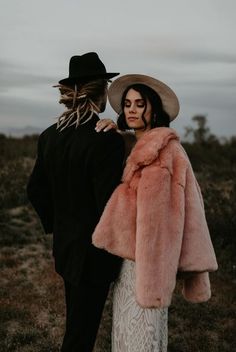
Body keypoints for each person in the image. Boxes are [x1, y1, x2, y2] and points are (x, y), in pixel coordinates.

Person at [92, 74, 218, 351]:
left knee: (142, 338)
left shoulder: (165, 152)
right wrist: (113, 133)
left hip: (148, 265)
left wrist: (153, 278)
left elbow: (161, 223)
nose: (132, 110)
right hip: (128, 263)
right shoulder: (136, 146)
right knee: (129, 335)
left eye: (140, 104)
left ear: (154, 109)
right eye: (127, 104)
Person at [27, 52, 125, 352]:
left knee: (76, 326)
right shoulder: (105, 140)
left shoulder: (49, 136)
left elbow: (35, 190)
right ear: (101, 93)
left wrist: (59, 225)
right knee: (80, 338)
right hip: (94, 256)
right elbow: (109, 203)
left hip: (66, 247)